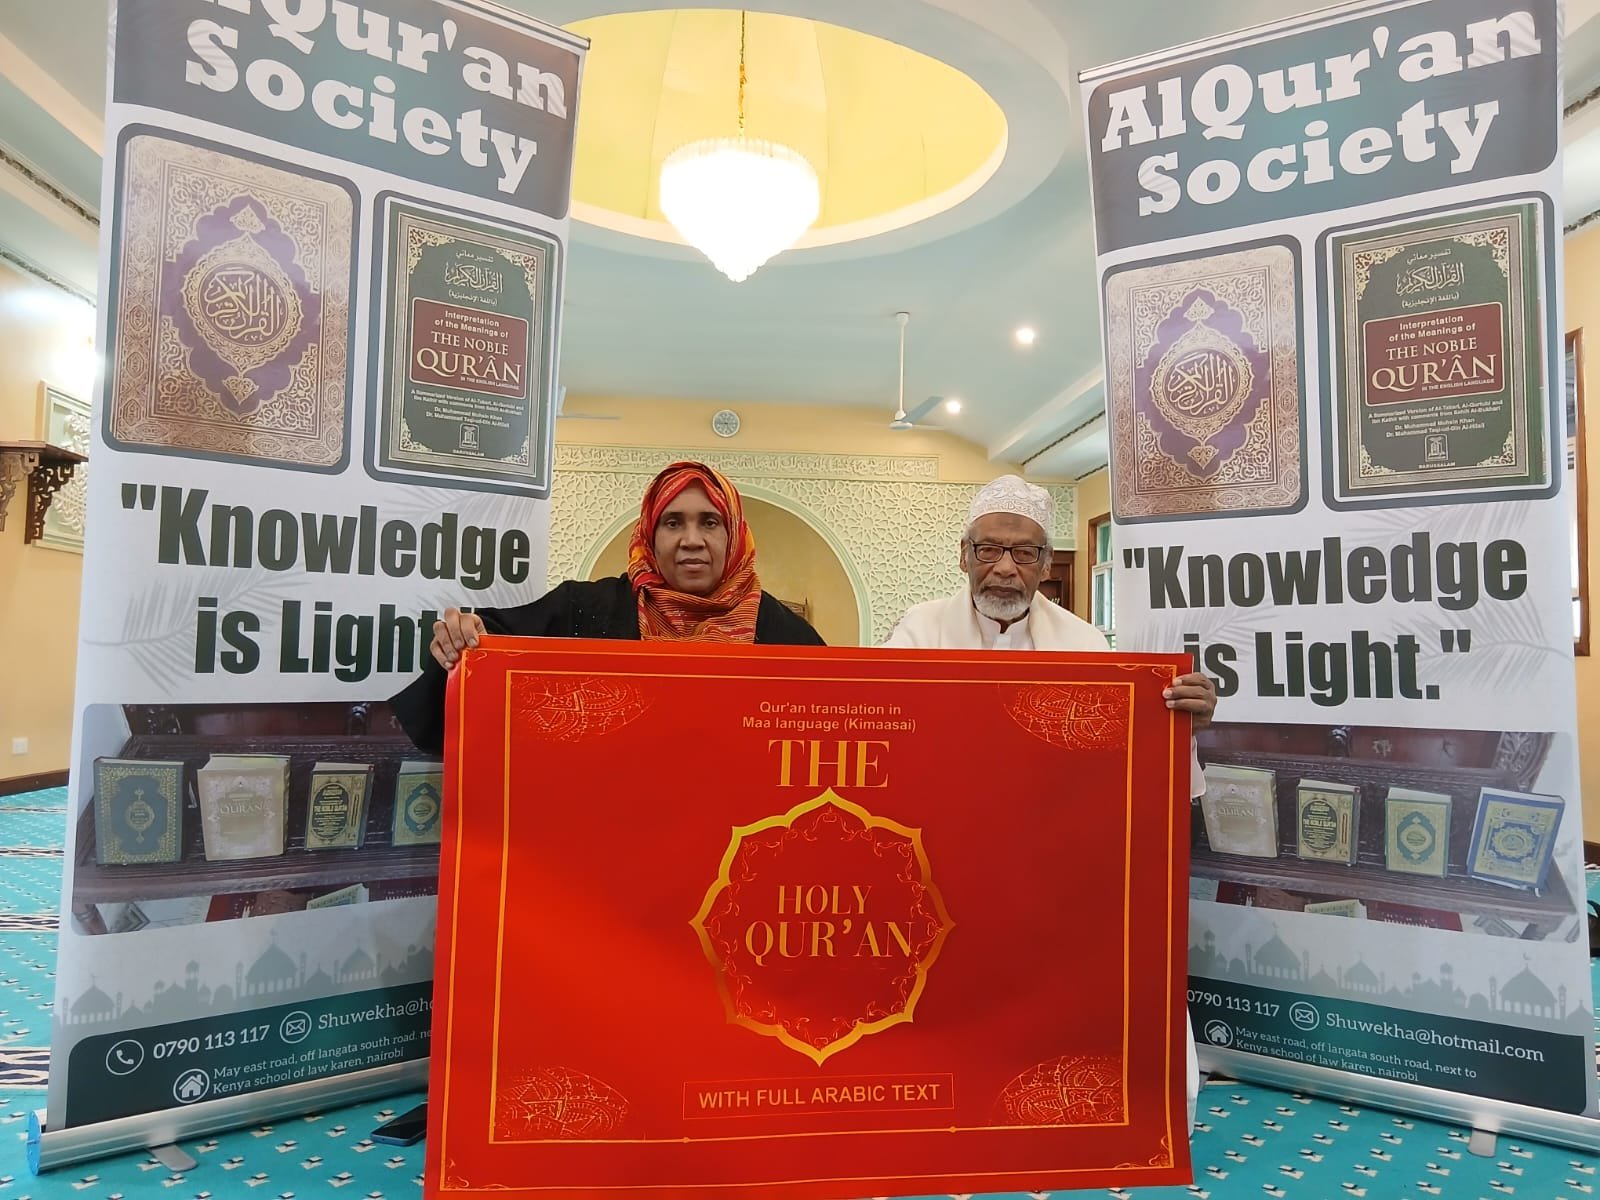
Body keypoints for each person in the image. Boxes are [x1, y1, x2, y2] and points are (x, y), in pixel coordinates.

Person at [883, 474, 1215, 1130]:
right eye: (989, 550)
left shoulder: (1086, 644)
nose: (1005, 568)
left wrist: (1179, 722)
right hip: (941, 856)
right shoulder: (919, 630)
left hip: (1050, 863)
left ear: (1044, 564)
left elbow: (1125, 758)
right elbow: (888, 732)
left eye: (1025, 553)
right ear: (963, 555)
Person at [390, 461, 823, 753]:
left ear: (734, 536)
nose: (692, 539)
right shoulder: (585, 609)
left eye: (710, 522)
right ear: (650, 536)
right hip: (605, 846)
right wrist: (460, 641)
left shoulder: (789, 638)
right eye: (673, 523)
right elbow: (491, 653)